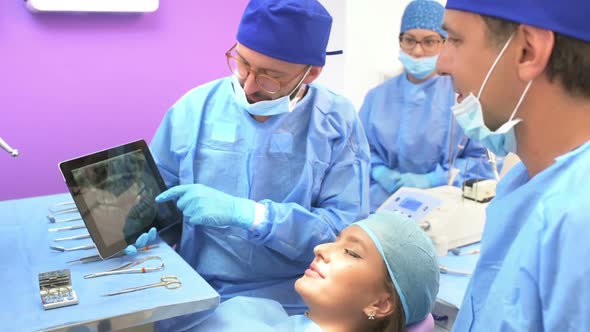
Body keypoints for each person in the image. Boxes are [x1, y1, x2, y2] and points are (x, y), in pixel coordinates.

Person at [127, 0, 371, 330]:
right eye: (242, 64)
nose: (249, 85)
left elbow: (345, 237)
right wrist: (145, 228)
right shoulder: (193, 109)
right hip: (199, 297)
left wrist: (253, 215)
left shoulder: (337, 123)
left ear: (311, 73)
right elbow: (161, 202)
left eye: (272, 77)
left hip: (297, 302)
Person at [436, 0, 590, 330]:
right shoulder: (524, 181)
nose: (441, 63)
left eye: (455, 40)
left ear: (527, 51)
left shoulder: (580, 218)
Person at [190, 210, 439, 332]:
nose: (321, 248)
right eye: (336, 240)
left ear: (380, 304)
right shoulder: (265, 314)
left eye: (351, 252)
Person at [359, 0, 498, 212]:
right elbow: (359, 150)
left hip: (445, 207)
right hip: (381, 206)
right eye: (409, 40)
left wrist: (434, 179)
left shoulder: (463, 96)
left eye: (429, 41)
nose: (417, 51)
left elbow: (484, 161)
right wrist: (378, 171)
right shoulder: (377, 97)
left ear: (445, 42)